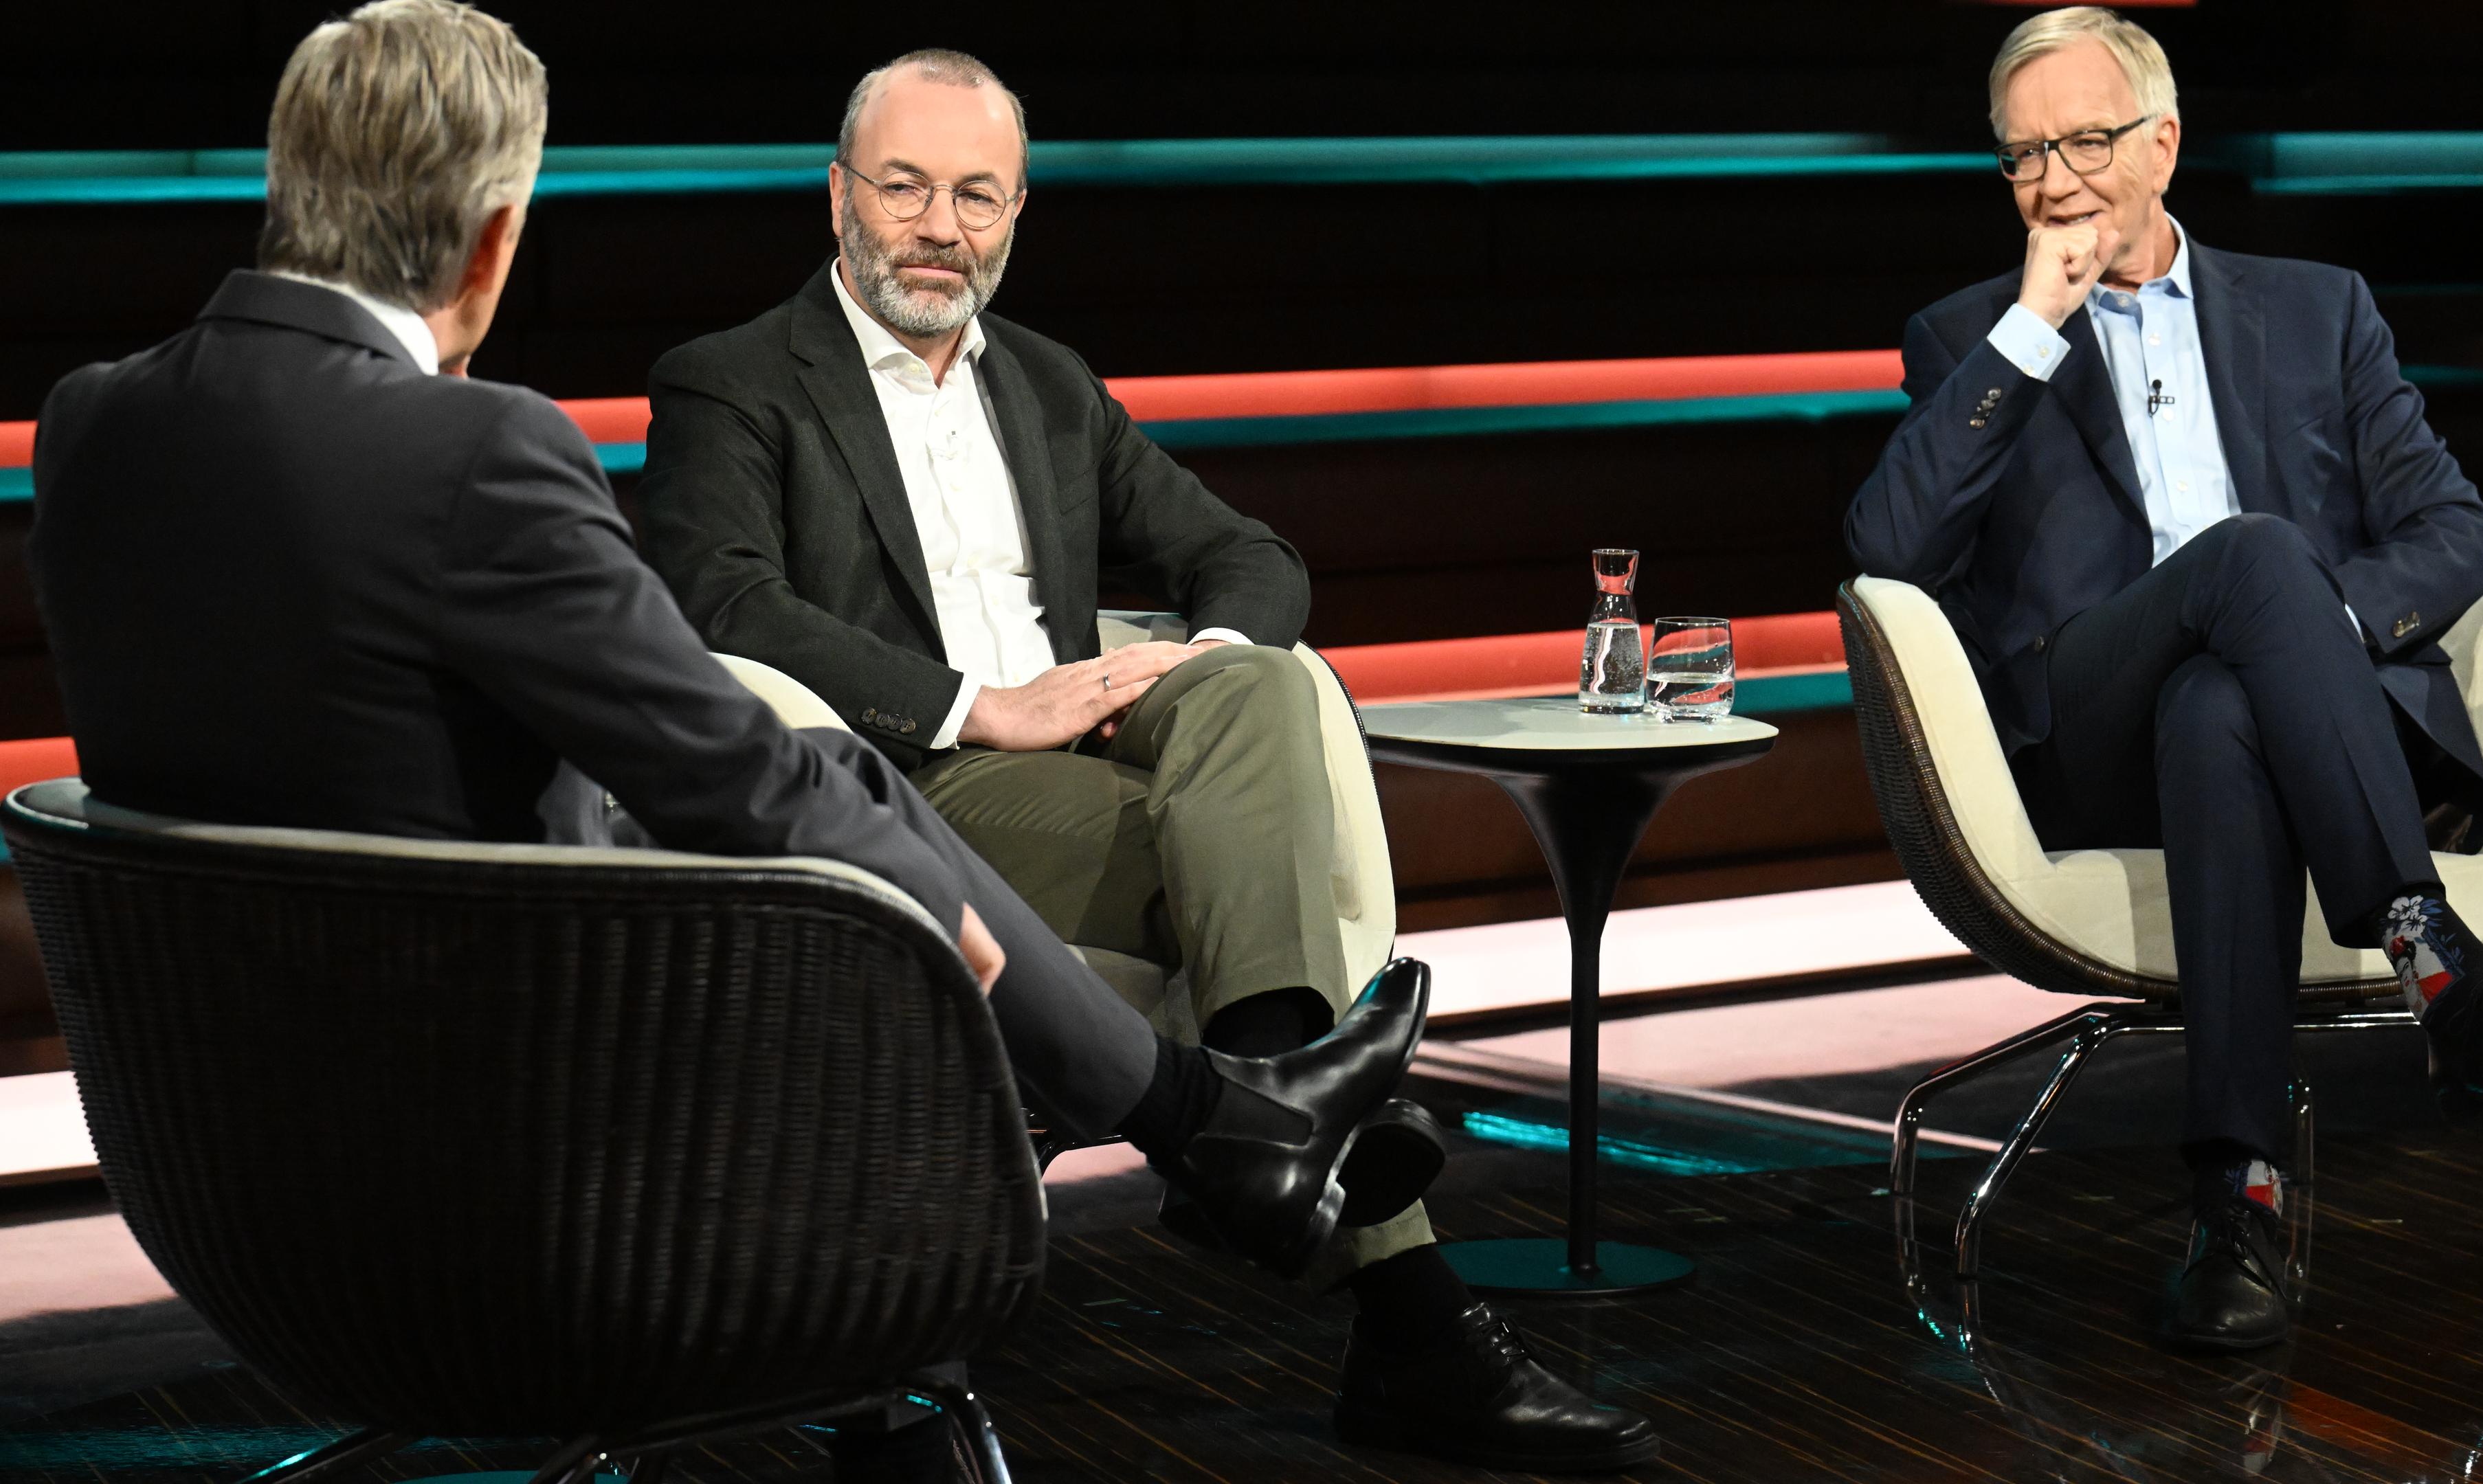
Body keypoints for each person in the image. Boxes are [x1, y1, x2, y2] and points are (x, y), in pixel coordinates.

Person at [24, 7, 1438, 1476]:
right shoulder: (480, 452)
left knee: (1135, 772)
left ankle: (1248, 1137)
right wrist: (952, 924)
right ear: (497, 239)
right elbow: (743, 770)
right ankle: (1223, 1138)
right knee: (853, 868)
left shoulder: (92, 426)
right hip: (543, 1172)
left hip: (233, 1171)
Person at [634, 49, 1658, 1474]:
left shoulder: (1049, 387)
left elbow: (1249, 555)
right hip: (899, 795)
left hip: (1087, 773)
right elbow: (724, 607)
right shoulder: (734, 381)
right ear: (838, 196)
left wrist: (1193, 662)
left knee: (1259, 687)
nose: (939, 228)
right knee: (1255, 876)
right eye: (906, 188)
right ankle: (1399, 1303)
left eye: (977, 196)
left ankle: (1262, 1097)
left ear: (1018, 212)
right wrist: (982, 707)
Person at [1846, 5, 2483, 1352]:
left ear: (2163, 143)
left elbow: (2457, 530)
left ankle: (2239, 1211)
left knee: (2221, 702)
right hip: (2089, 736)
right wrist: (2034, 329)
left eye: (2084, 142)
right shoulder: (1971, 336)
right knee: (2253, 557)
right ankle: (2436, 965)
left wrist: (2310, 633)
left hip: (2280, 734)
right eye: (2023, 154)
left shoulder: (2317, 309)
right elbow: (1889, 550)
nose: (2053, 180)